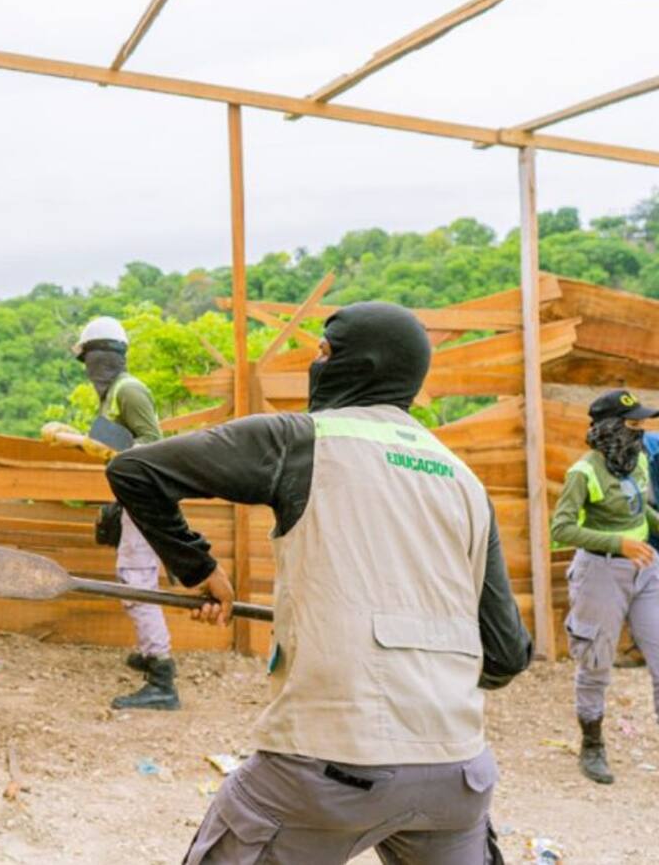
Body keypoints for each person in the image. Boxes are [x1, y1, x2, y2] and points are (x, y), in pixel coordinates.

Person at [106, 302, 532, 864]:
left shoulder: (302, 440)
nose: (316, 360)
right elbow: (504, 655)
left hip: (329, 767)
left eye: (326, 350)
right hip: (456, 778)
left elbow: (135, 471)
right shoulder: (464, 481)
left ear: (363, 364)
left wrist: (199, 569)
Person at [550, 389, 659, 784]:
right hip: (601, 573)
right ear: (612, 428)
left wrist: (655, 525)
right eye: (634, 425)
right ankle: (592, 745)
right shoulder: (584, 473)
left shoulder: (637, 460)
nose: (641, 431)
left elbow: (637, 507)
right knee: (596, 662)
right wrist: (618, 543)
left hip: (645, 568)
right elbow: (560, 529)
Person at [71, 316, 177, 710]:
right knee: (133, 575)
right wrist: (85, 441)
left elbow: (152, 446)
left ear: (97, 357)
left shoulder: (129, 391)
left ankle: (161, 675)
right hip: (135, 494)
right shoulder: (116, 391)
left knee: (135, 580)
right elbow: (120, 442)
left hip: (146, 496)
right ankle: (151, 653)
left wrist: (89, 443)